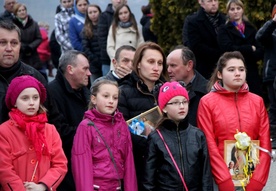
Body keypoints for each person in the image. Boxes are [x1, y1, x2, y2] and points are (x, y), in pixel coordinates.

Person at [197, 51, 271, 191]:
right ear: (220, 74)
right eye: (231, 70)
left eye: (241, 69)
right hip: (220, 178)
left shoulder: (257, 102)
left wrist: (258, 180)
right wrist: (224, 179)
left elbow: (265, 143)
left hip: (252, 177)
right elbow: (209, 143)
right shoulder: (207, 102)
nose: (238, 73)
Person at [0, 75, 68, 191]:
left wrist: (43, 186)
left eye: (35, 98)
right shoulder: (4, 131)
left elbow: (60, 164)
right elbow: (4, 169)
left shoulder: (50, 130)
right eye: (25, 98)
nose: (31, 103)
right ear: (14, 102)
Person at [143, 81, 213, 190]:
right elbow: (149, 179)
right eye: (175, 103)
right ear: (164, 108)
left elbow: (206, 175)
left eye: (184, 102)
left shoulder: (197, 135)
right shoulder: (156, 137)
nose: (181, 106)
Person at [118, 42, 169, 190]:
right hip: (137, 163)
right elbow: (121, 131)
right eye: (151, 62)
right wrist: (151, 144)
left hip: (166, 164)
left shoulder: (168, 90)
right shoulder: (123, 92)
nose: (156, 67)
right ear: (138, 64)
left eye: (160, 63)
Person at [71, 79, 137, 191]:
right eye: (106, 96)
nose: (111, 101)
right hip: (96, 187)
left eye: (115, 98)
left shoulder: (121, 124)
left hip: (117, 187)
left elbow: (128, 162)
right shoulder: (86, 126)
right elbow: (82, 164)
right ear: (94, 99)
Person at [48, 50, 91, 191]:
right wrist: (91, 132)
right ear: (70, 69)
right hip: (66, 166)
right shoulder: (52, 93)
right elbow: (60, 132)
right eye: (85, 69)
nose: (89, 73)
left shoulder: (85, 91)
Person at [217, 0, 264, 97]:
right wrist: (249, 49)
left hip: (251, 71)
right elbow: (227, 48)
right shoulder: (224, 29)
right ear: (228, 12)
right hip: (233, 70)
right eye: (232, 9)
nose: (235, 11)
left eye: (238, 8)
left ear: (242, 10)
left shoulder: (251, 28)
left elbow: (260, 50)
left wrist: (244, 50)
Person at [166, 45, 208, 126]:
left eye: (173, 65)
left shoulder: (207, 91)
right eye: (168, 66)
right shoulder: (164, 91)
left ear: (189, 65)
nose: (168, 70)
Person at [185, 0, 225, 79]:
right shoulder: (193, 21)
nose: (213, 4)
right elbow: (196, 46)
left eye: (215, 0)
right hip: (205, 68)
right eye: (209, 1)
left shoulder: (225, 19)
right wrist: (219, 53)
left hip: (224, 66)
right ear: (202, 3)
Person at [255, 4, 276, 148]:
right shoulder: (272, 32)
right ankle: (273, 137)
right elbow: (260, 37)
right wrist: (273, 22)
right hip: (273, 75)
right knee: (274, 107)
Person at [107, 4, 143, 71]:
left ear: (129, 13)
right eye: (120, 13)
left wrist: (136, 59)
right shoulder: (113, 28)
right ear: (117, 15)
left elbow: (141, 45)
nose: (123, 15)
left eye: (125, 12)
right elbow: (110, 47)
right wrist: (117, 59)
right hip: (118, 63)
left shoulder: (136, 28)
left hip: (133, 62)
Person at [98, 0, 127, 75]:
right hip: (109, 59)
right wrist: (112, 56)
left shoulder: (129, 16)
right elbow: (102, 39)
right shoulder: (104, 16)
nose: (119, 1)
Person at [12, 3, 43, 74]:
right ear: (16, 13)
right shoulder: (12, 25)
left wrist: (30, 47)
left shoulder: (34, 24)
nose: (22, 12)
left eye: (23, 10)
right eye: (19, 11)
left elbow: (39, 38)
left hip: (33, 55)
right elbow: (13, 39)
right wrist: (23, 47)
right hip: (20, 55)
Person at [82, 4, 102, 84]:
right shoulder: (86, 30)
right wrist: (94, 59)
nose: (93, 14)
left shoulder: (105, 27)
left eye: (95, 12)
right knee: (95, 85)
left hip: (105, 60)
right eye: (90, 12)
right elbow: (85, 47)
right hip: (93, 63)